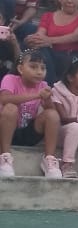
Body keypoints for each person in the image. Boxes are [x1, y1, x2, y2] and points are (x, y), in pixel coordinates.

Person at [0, 46, 62, 178]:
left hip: (29, 132)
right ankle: (4, 157)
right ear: (21, 69)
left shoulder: (43, 85)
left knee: (52, 115)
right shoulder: (10, 79)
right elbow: (4, 99)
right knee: (10, 108)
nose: (39, 72)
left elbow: (53, 114)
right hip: (7, 130)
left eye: (42, 68)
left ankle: (49, 160)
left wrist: (47, 100)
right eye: (33, 67)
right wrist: (37, 95)